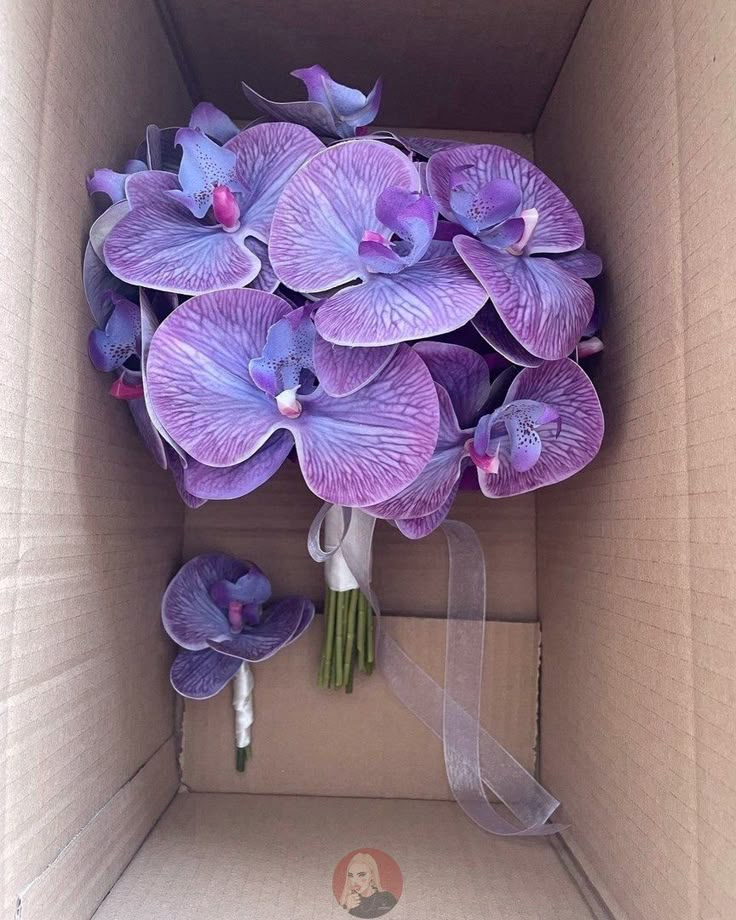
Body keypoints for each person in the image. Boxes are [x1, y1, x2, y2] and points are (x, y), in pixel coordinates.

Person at [340, 853, 398, 918]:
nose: (354, 881)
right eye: (351, 876)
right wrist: (347, 907)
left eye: (361, 875)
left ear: (372, 875)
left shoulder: (387, 897)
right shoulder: (348, 900)